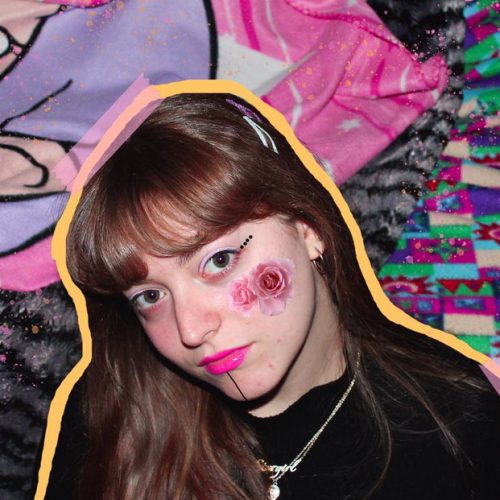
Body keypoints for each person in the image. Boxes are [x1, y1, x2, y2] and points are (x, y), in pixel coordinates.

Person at [48, 92, 500, 500]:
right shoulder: (111, 417)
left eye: (219, 260)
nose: (191, 329)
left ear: (308, 229)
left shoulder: (458, 426)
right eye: (149, 296)